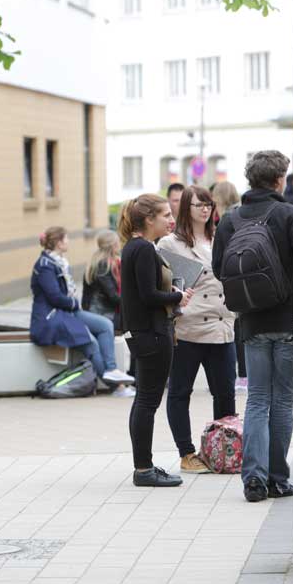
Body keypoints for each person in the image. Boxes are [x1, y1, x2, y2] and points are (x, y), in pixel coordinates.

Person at [212, 150, 293, 503]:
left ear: (250, 180)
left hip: (251, 321)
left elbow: (220, 269)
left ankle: (253, 478)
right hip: (289, 319)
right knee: (283, 400)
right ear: (280, 180)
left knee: (258, 398)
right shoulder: (290, 215)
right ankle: (278, 478)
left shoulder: (231, 220)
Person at [159, 186, 236, 474]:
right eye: (198, 205)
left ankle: (226, 449)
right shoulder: (170, 243)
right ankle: (186, 453)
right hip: (188, 327)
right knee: (180, 391)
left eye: (208, 204)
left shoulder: (221, 238)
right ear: (185, 209)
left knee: (225, 392)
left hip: (221, 324)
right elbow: (167, 284)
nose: (205, 209)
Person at [119, 195, 194, 487]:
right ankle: (144, 469)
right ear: (148, 220)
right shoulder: (143, 249)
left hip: (142, 332)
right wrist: (178, 296)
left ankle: (144, 466)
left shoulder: (134, 248)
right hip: (151, 333)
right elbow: (149, 295)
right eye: (164, 215)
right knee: (148, 401)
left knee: (145, 400)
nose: (170, 219)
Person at [30, 226, 134, 388]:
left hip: (68, 312)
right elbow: (55, 297)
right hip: (53, 316)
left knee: (105, 325)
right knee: (90, 342)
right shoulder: (45, 266)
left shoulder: (59, 262)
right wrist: (73, 303)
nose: (68, 242)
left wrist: (73, 305)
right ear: (58, 242)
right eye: (66, 239)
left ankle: (112, 370)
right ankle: (116, 387)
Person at [81, 230, 134, 398]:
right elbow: (113, 297)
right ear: (113, 245)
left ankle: (129, 379)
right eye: (118, 242)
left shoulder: (103, 262)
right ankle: (127, 380)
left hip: (103, 312)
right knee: (136, 330)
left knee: (135, 331)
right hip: (103, 314)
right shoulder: (103, 265)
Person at [211, 181, 248, 391]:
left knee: (237, 329)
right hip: (247, 278)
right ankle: (244, 375)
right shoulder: (242, 214)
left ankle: (241, 375)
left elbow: (219, 257)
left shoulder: (227, 219)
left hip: (232, 280)